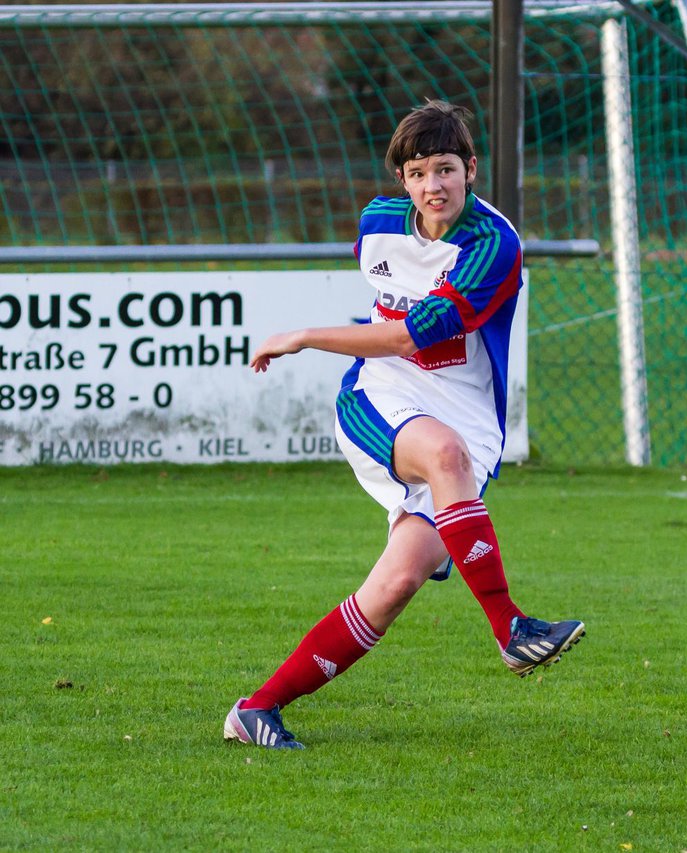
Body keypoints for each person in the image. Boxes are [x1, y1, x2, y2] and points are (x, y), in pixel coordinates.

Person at [223, 99, 584, 750]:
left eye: (445, 169)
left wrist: (304, 333)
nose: (432, 186)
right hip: (379, 396)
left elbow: (406, 334)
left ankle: (256, 709)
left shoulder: (493, 244)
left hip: (466, 416)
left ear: (471, 169)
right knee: (442, 455)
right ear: (402, 181)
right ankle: (511, 629)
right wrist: (310, 336)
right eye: (417, 173)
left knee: (392, 586)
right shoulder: (378, 224)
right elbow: (386, 331)